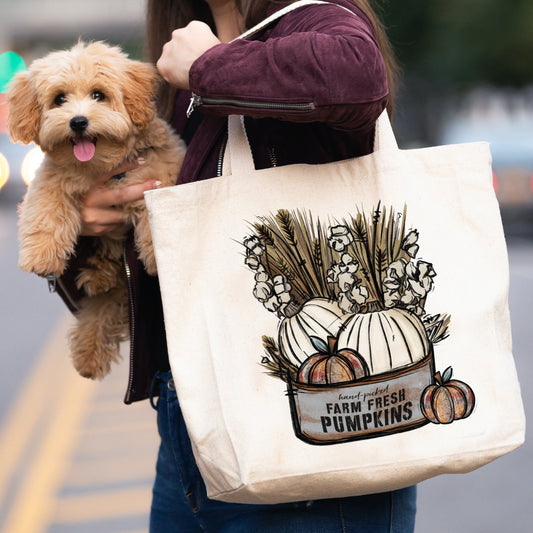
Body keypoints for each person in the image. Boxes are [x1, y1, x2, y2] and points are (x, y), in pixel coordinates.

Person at [56, 0, 417, 531]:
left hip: (317, 431)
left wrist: (209, 67)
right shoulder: (176, 60)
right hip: (188, 433)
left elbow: (359, 75)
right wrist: (88, 229)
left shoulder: (311, 16)